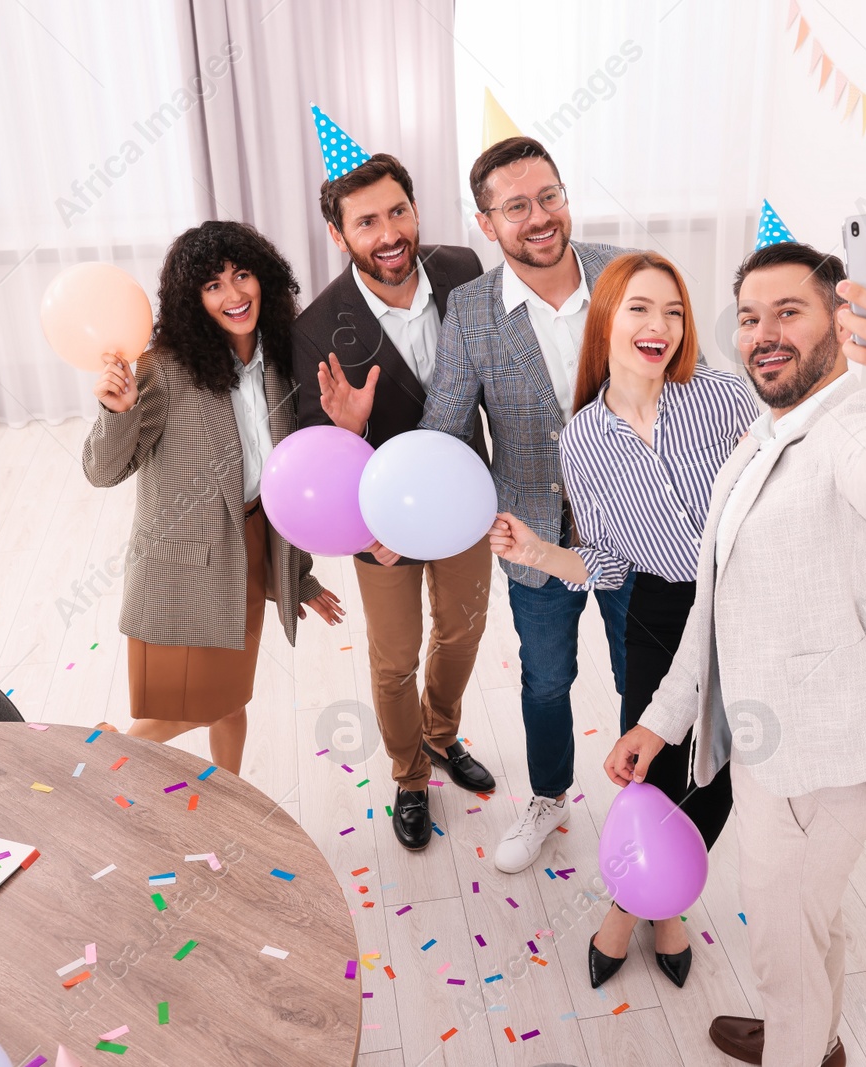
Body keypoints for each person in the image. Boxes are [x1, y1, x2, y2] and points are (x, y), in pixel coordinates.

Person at [604, 239, 866, 1067]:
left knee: (782, 949)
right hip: (769, 748)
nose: (763, 332)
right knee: (810, 923)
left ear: (839, 319)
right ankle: (817, 1036)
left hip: (814, 765)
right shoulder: (766, 433)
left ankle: (798, 1038)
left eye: (788, 312)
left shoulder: (856, 427)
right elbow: (715, 610)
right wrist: (658, 723)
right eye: (751, 316)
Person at [488, 251, 756, 990]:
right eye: (640, 307)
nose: (660, 326)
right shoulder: (582, 441)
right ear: (607, 317)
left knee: (722, 773)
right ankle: (653, 906)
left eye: (673, 311)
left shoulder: (725, 399)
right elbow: (607, 563)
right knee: (653, 769)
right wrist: (540, 549)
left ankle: (634, 908)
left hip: (747, 600)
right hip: (660, 609)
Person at [419, 136, 635, 874]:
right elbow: (447, 424)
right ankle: (549, 796)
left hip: (638, 530)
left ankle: (648, 806)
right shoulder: (471, 309)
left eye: (549, 196)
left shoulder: (624, 273)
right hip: (533, 534)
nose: (538, 217)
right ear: (488, 224)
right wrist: (415, 505)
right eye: (516, 206)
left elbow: (692, 373)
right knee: (547, 679)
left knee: (646, 674)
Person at [82, 221, 345, 776]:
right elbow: (102, 471)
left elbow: (290, 479)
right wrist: (118, 412)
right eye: (213, 286)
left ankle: (229, 802)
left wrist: (296, 576)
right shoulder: (165, 370)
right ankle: (100, 758)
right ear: (192, 300)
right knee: (198, 706)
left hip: (249, 546)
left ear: (263, 279)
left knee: (232, 699)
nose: (234, 295)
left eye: (242, 276)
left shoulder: (280, 360)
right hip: (184, 566)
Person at [293, 152, 497, 851]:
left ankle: (440, 735)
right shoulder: (317, 325)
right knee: (393, 657)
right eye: (367, 221)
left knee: (463, 629)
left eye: (398, 211)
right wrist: (347, 436)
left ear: (415, 209)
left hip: (466, 495)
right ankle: (410, 776)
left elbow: (495, 371)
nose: (389, 233)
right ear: (337, 233)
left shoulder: (464, 268)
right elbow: (311, 453)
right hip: (379, 521)